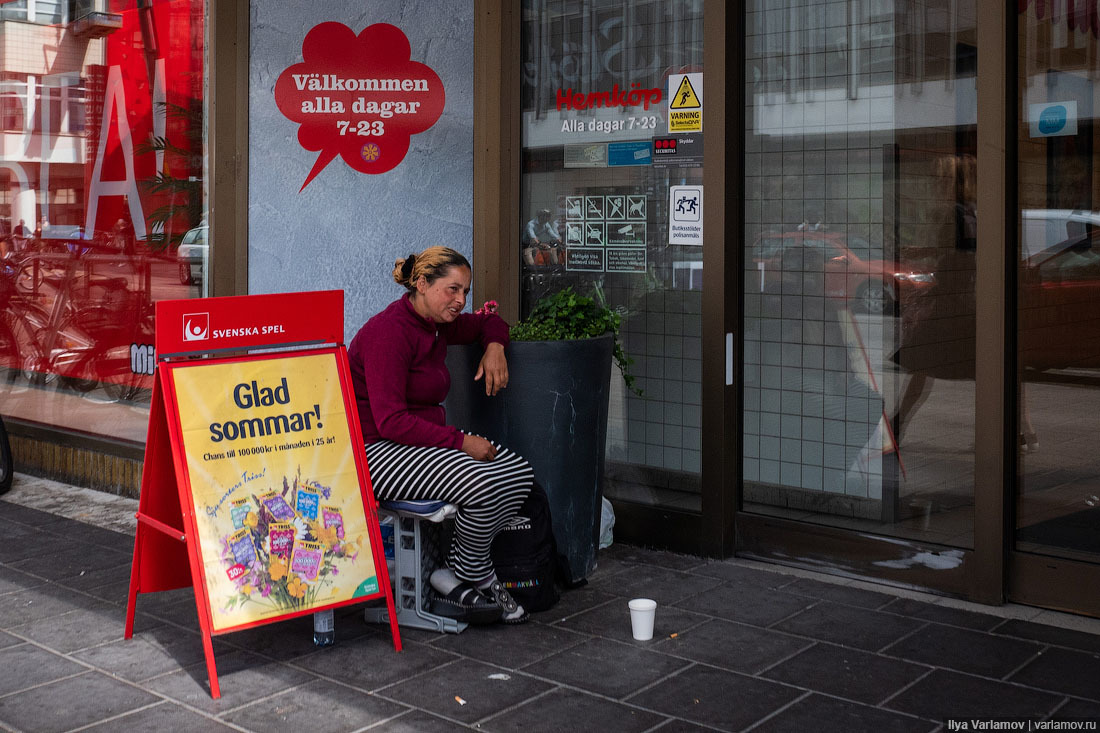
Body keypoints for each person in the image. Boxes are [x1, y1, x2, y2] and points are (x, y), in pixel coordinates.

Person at [347, 246, 534, 625]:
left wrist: (495, 346)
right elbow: (392, 422)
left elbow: (487, 322)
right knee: (481, 482)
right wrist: (462, 442)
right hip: (376, 452)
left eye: (465, 290)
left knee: (518, 474)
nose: (461, 300)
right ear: (421, 284)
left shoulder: (436, 325)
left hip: (421, 442)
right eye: (452, 289)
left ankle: (460, 571)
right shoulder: (388, 333)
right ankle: (474, 574)